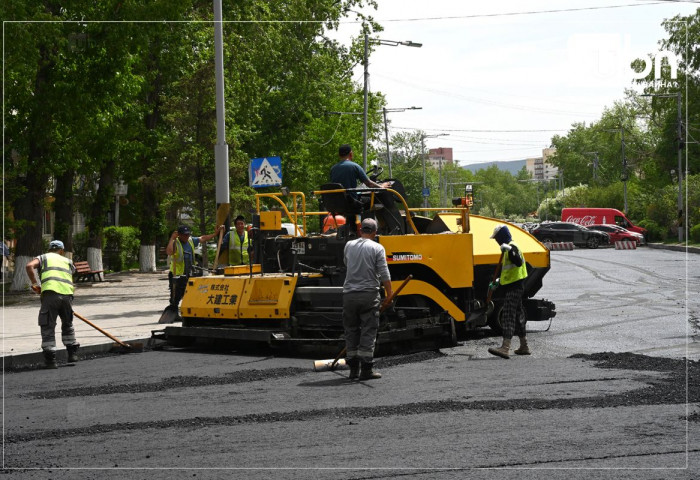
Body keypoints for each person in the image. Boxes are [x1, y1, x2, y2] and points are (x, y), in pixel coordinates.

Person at [342, 218, 393, 380]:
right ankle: (366, 370)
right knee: (368, 331)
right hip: (368, 295)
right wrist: (389, 294)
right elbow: (384, 273)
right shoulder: (377, 248)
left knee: (351, 330)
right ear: (375, 232)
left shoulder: (348, 246)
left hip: (349, 295)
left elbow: (346, 264)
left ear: (360, 230)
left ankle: (353, 370)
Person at [25, 240, 80, 369]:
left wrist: (35, 284)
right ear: (61, 250)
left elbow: (29, 266)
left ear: (49, 249)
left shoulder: (43, 257)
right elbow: (71, 273)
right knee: (68, 324)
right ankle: (72, 354)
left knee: (48, 325)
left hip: (51, 294)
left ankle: (51, 360)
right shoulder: (67, 261)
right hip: (67, 295)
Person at [487, 224, 530, 359]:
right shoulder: (507, 248)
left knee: (508, 315)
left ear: (501, 237)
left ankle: (505, 348)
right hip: (515, 285)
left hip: (515, 287)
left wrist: (510, 250)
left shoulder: (512, 246)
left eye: (496, 238)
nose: (496, 241)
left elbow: (517, 261)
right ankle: (524, 346)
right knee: (517, 315)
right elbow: (508, 272)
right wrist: (498, 282)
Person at [166, 224, 224, 310]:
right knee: (175, 295)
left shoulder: (191, 240)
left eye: (187, 234)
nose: (186, 236)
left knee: (189, 293)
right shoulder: (175, 242)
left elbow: (203, 238)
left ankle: (186, 310)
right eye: (184, 235)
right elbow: (169, 252)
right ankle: (173, 311)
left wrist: (215, 234)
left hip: (188, 273)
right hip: (177, 274)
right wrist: (172, 238)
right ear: (179, 235)